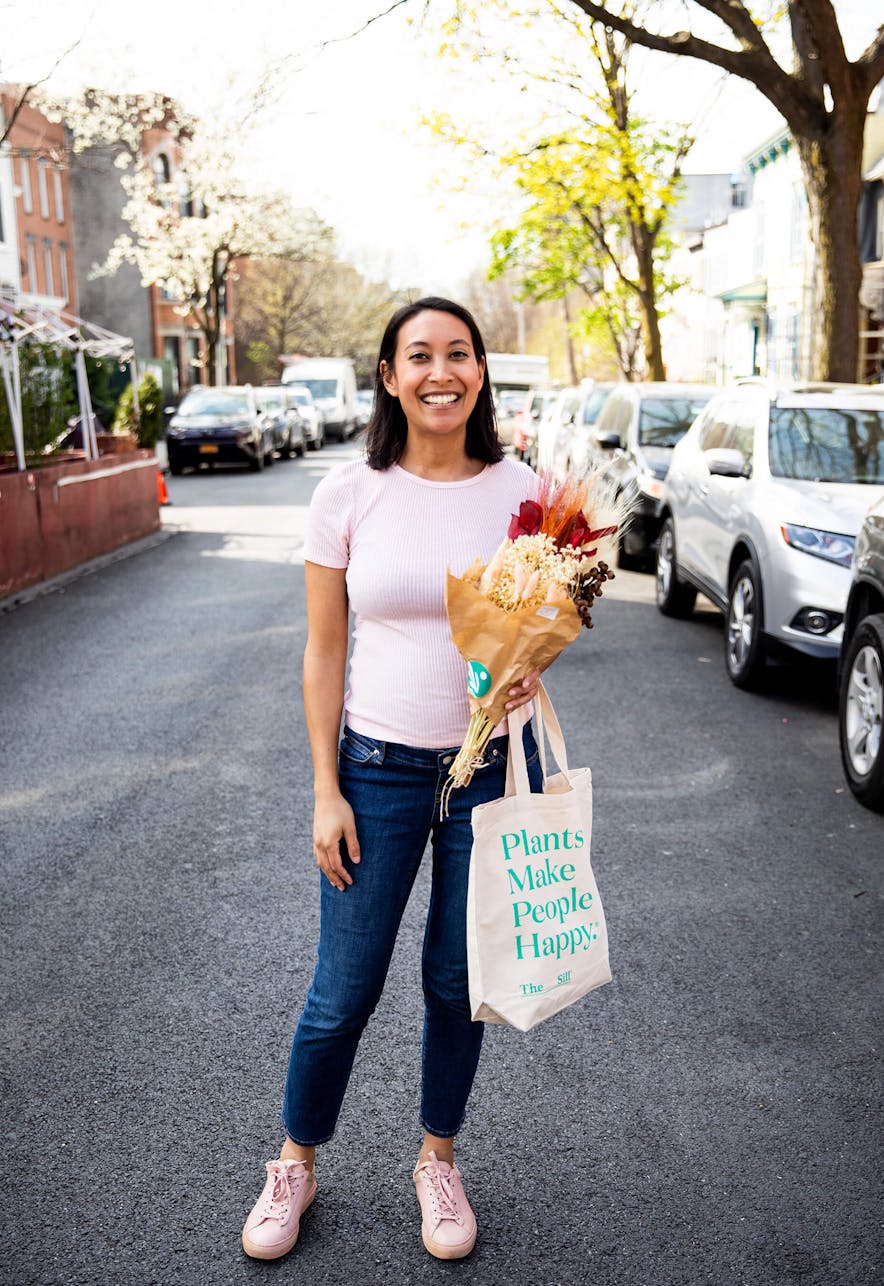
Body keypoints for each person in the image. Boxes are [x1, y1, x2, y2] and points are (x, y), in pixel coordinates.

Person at [242, 297, 544, 1263]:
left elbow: (537, 627)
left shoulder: (522, 492)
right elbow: (323, 652)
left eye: (458, 353)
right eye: (419, 356)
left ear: (481, 372)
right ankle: (294, 1162)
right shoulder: (348, 493)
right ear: (388, 375)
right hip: (373, 770)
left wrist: (536, 662)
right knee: (343, 990)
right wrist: (324, 788)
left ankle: (436, 1160)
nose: (440, 371)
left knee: (457, 986)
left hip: (485, 769)